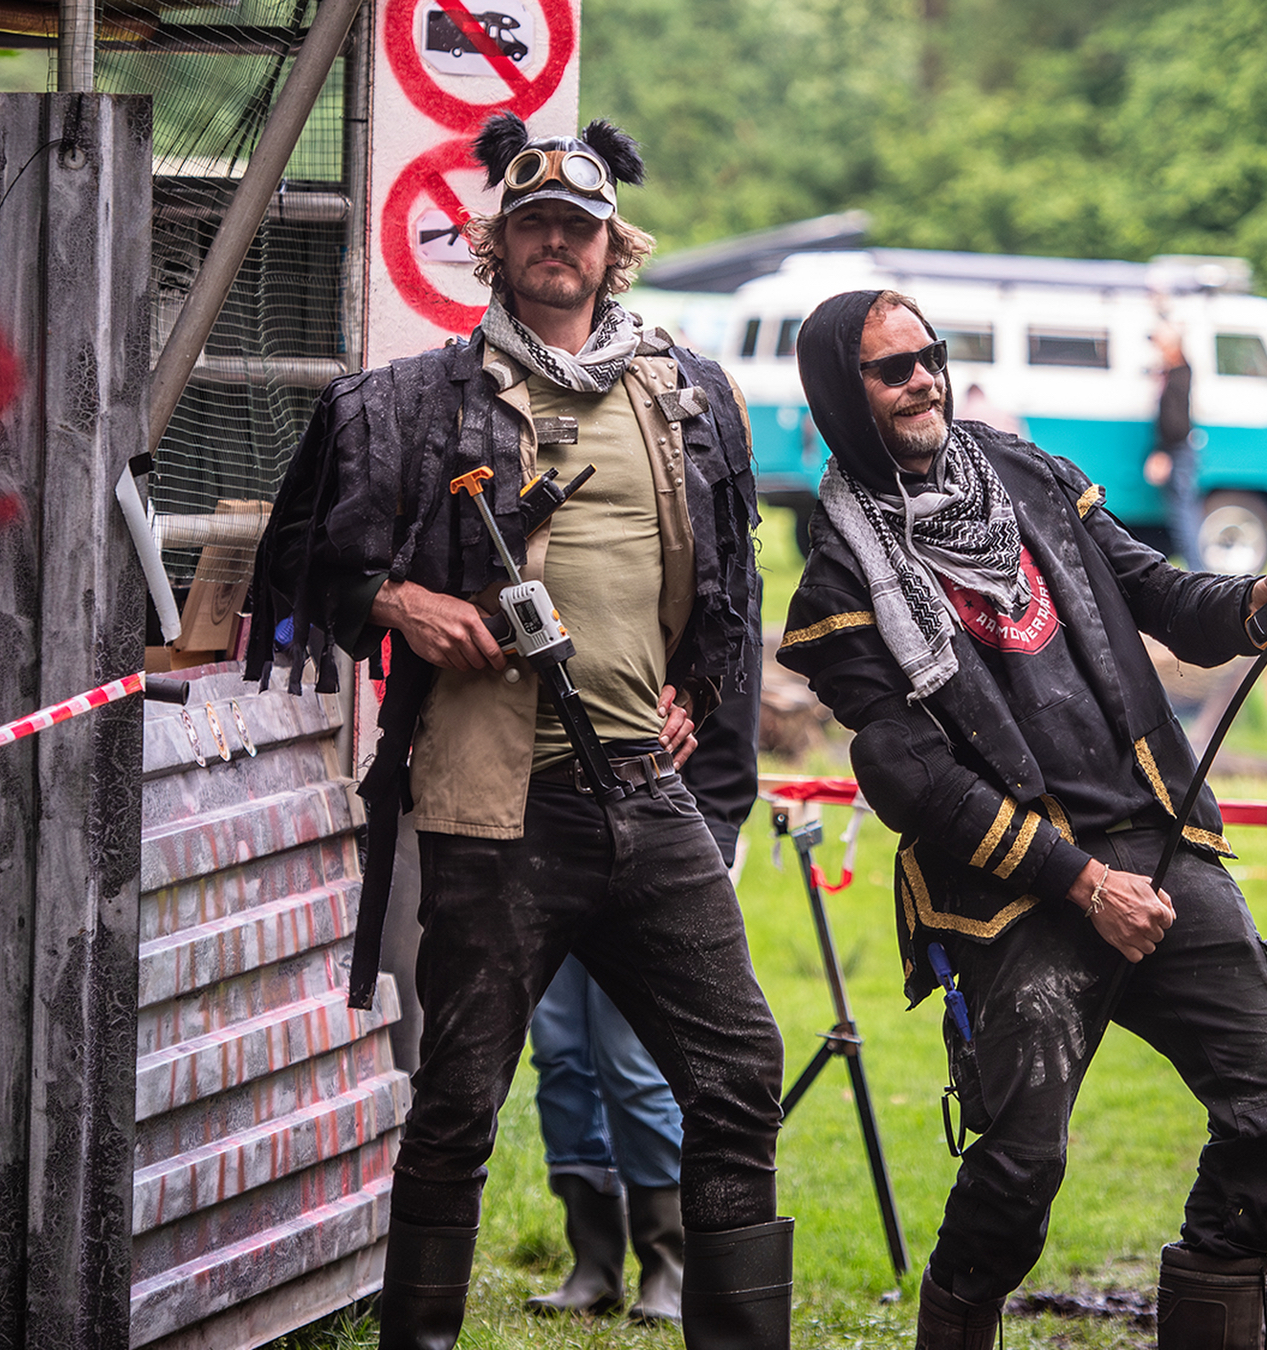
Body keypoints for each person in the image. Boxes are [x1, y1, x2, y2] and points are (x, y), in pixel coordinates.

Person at [242, 112, 791, 1350]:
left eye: (581, 230)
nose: (560, 246)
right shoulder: (408, 405)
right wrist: (402, 601)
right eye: (536, 225)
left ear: (614, 250)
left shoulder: (692, 397)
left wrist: (699, 691)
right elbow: (304, 563)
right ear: (497, 246)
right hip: (496, 808)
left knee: (739, 1073)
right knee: (458, 1102)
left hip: (647, 798)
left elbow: (731, 585)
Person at [778, 290, 1267, 1350]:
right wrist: (1082, 883)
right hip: (1015, 892)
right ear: (844, 399)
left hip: (1160, 843)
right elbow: (914, 782)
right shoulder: (843, 584)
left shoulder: (1029, 477)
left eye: (930, 357)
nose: (924, 380)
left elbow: (1160, 594)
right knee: (1021, 1170)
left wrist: (1252, 606)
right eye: (893, 370)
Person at [523, 673, 761, 1324]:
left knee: (632, 1060)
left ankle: (669, 1265)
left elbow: (731, 743)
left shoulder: (709, 579)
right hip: (555, 834)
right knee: (563, 1051)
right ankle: (593, 1262)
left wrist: (695, 860)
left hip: (665, 845)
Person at [1142, 322, 1202, 563]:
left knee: (1183, 515)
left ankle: (1198, 569)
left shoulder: (1179, 375)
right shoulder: (1176, 373)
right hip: (1177, 448)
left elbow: (1174, 423)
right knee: (1182, 512)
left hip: (1177, 450)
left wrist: (1162, 452)